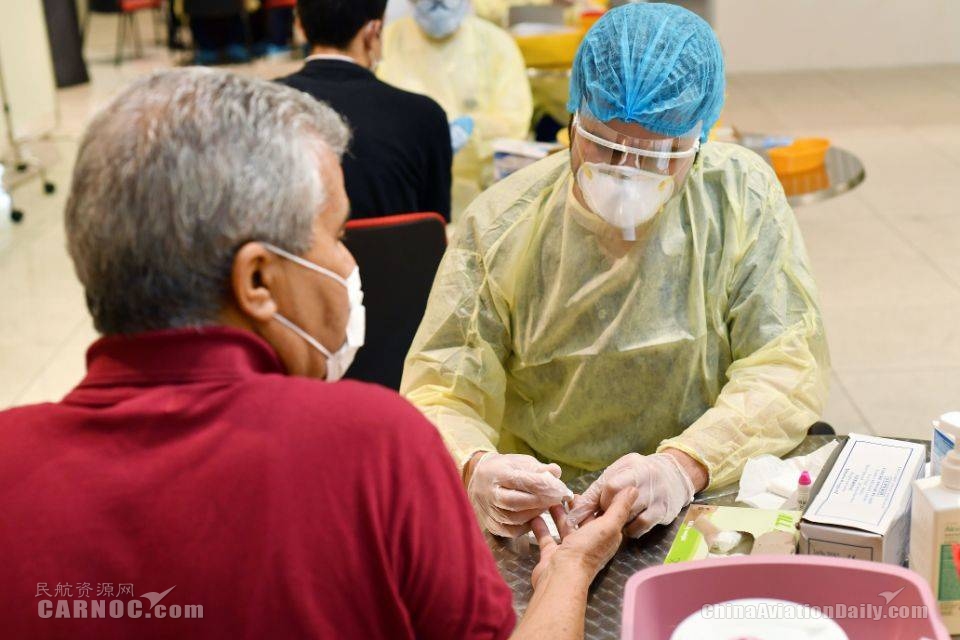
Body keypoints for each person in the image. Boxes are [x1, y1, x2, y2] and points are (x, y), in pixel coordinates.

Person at [0, 68, 636, 640]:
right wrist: (569, 573)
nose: (349, 264)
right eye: (335, 236)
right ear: (257, 281)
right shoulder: (371, 448)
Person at [402, 4, 830, 539]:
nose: (625, 175)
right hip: (549, 512)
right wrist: (476, 466)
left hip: (704, 495)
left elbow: (785, 361)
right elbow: (442, 389)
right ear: (573, 117)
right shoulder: (503, 224)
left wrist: (683, 465)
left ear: (698, 140)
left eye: (655, 156)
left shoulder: (738, 197)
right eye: (602, 146)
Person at [277, 0, 452, 221]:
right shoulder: (426, 116)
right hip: (398, 256)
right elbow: (435, 227)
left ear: (299, 26)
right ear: (373, 31)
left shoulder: (263, 106)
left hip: (296, 256)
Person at [378, 0, 533, 218]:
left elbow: (515, 120)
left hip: (482, 202)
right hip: (405, 200)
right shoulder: (386, 42)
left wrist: (472, 129)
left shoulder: (496, 44)